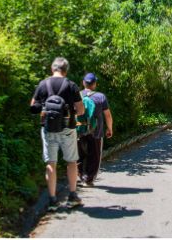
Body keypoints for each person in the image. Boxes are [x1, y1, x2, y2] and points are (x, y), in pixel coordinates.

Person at [29, 55, 83, 208]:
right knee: (71, 161)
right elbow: (81, 109)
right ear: (66, 70)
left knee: (51, 163)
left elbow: (33, 107)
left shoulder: (43, 84)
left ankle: (52, 200)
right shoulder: (71, 85)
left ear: (52, 69)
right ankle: (72, 196)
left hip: (48, 129)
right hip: (67, 129)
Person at [78, 71, 113, 188]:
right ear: (94, 84)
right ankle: (88, 180)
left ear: (83, 83)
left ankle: (81, 176)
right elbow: (107, 115)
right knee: (95, 155)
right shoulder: (100, 96)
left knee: (80, 154)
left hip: (79, 130)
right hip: (96, 132)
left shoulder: (77, 95)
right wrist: (109, 128)